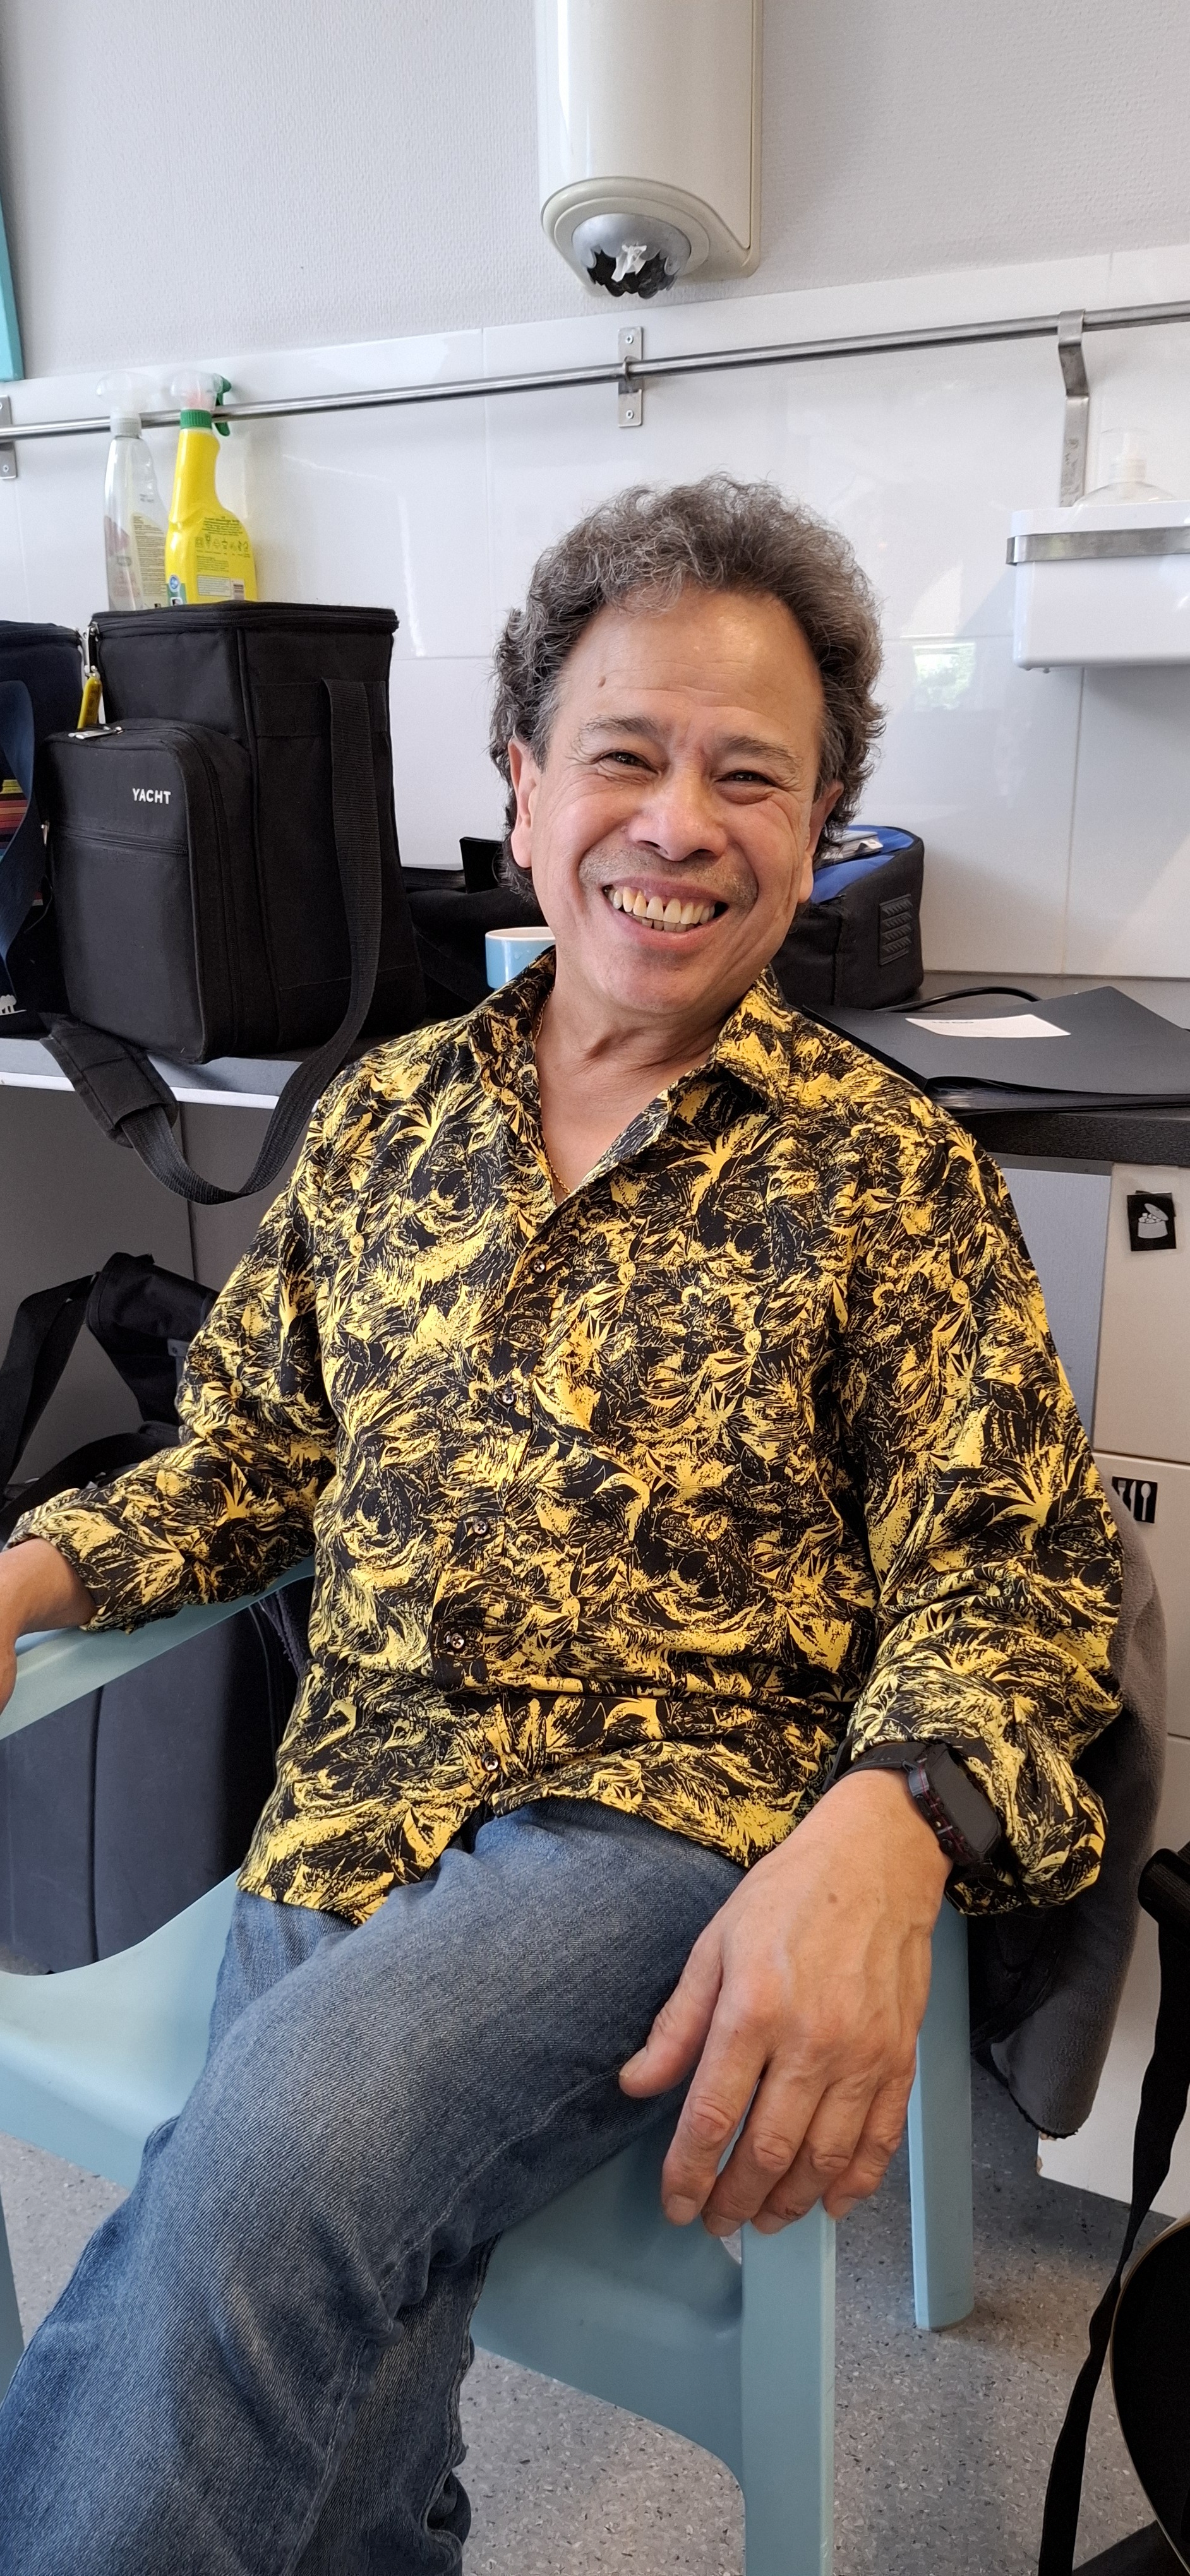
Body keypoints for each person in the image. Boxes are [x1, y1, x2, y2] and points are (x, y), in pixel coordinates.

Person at [0, 476, 1121, 2574]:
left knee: (271, 2170)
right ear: (519, 789)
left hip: (659, 1826)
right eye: (622, 755)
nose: (677, 822)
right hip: (353, 1796)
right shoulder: (385, 1120)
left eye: (748, 777)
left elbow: (1016, 1566)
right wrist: (24, 1576)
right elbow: (246, 1454)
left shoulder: (886, 1174)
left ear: (820, 826)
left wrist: (889, 1826)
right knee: (323, 2277)